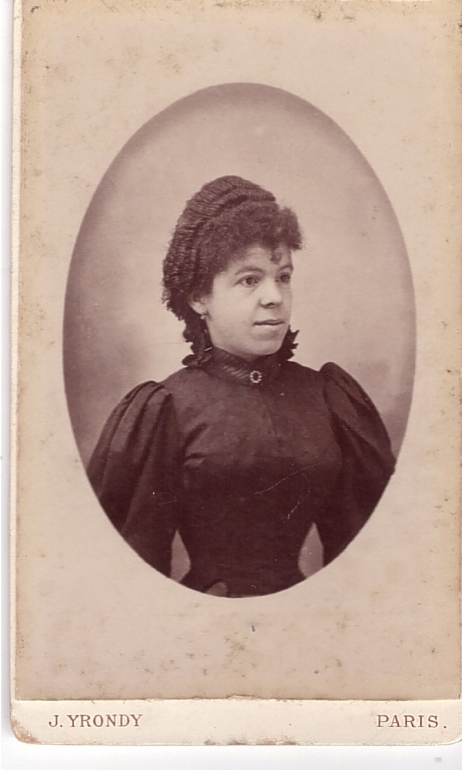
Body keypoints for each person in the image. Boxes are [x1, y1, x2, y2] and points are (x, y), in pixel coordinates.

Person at [88, 175, 395, 598]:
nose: (274, 296)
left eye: (283, 276)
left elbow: (370, 561)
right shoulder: (167, 408)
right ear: (199, 297)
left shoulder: (329, 398)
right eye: (250, 280)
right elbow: (126, 575)